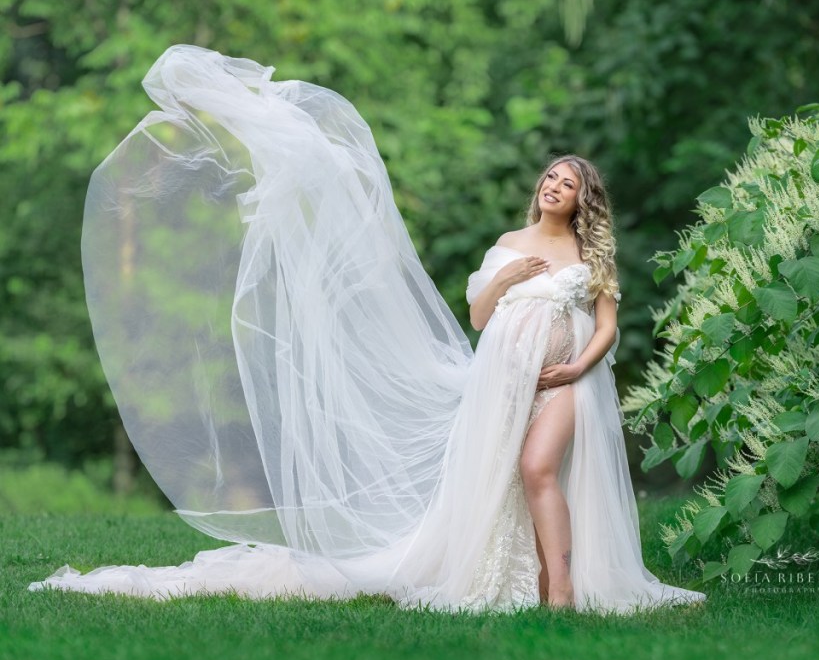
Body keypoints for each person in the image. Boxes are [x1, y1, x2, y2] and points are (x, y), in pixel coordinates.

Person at [29, 45, 706, 612]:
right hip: (503, 378)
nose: (555, 184)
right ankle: (526, 580)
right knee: (506, 481)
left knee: (537, 469)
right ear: (539, 189)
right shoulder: (508, 242)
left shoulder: (591, 257)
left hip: (564, 382)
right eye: (550, 177)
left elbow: (609, 325)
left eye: (568, 181)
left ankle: (562, 590)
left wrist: (578, 367)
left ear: (583, 198)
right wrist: (503, 279)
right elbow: (478, 317)